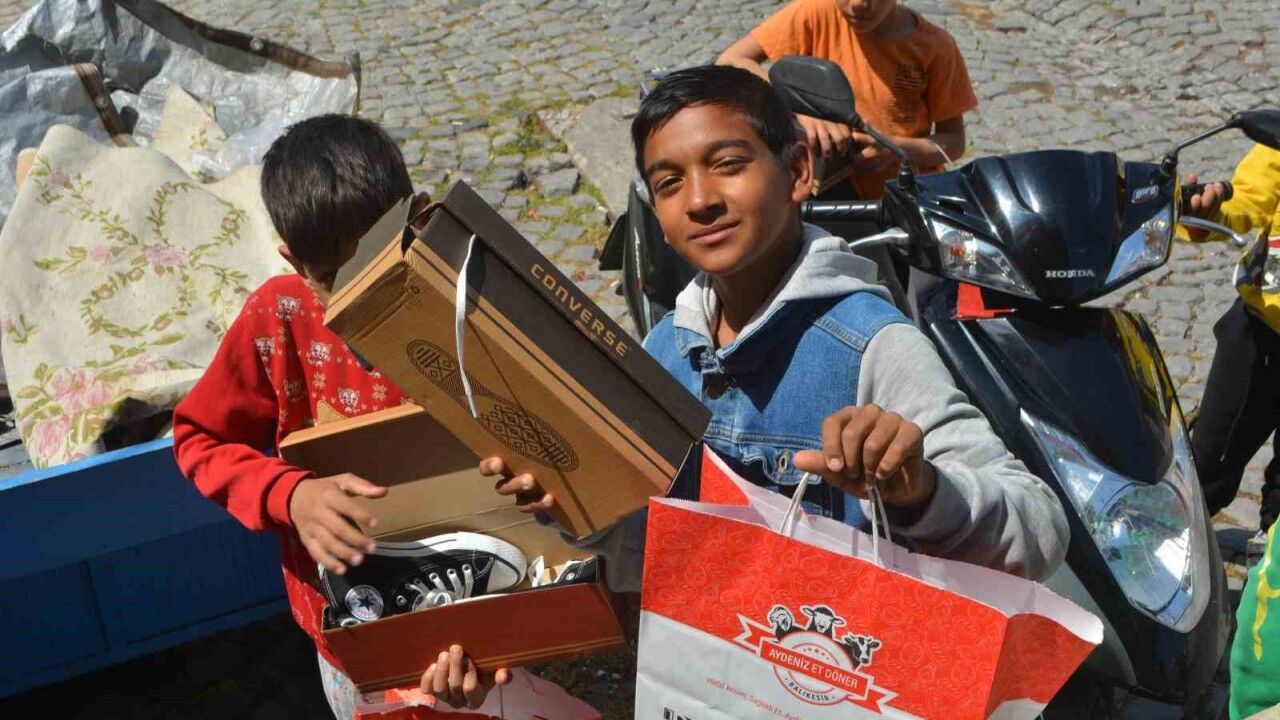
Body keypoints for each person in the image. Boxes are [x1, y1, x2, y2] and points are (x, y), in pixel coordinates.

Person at [483, 65, 1068, 587]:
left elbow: (1038, 533)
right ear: (657, 217)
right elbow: (660, 561)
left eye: (727, 165)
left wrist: (921, 490)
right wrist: (580, 507)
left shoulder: (874, 347)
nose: (700, 200)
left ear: (797, 171)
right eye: (669, 184)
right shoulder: (662, 351)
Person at [172, 115, 509, 718]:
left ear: (420, 220)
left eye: (379, 262)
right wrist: (290, 495)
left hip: (486, 604)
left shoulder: (468, 298)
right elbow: (200, 439)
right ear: (295, 262)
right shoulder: (278, 319)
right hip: (355, 632)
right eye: (332, 278)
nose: (360, 293)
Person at [717, 0, 977, 200]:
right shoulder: (817, 12)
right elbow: (732, 59)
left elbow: (953, 143)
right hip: (824, 196)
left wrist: (893, 150)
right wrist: (796, 109)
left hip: (901, 198)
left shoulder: (936, 48)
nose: (858, 5)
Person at [1183, 145, 1280, 556]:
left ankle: (1272, 552)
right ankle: (1172, 535)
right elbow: (1248, 197)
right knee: (1211, 455)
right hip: (1261, 329)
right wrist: (1212, 211)